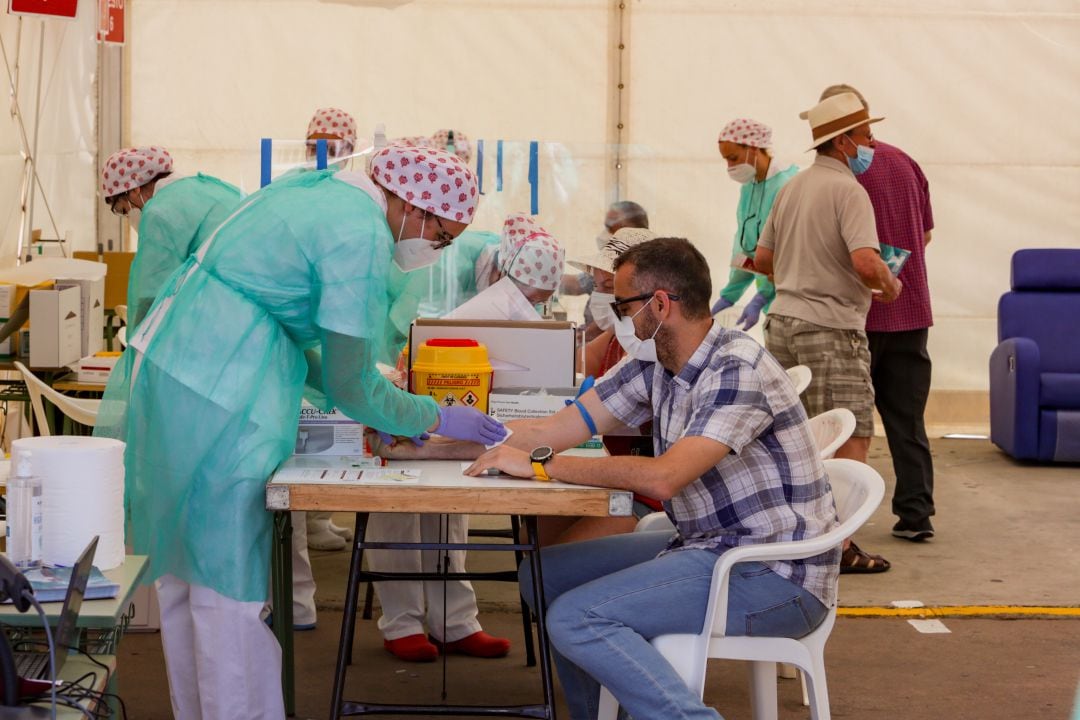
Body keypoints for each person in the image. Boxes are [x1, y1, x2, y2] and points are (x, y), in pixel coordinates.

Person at [94, 144, 506, 719]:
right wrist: (431, 415)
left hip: (180, 371)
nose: (435, 251)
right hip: (219, 388)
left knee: (187, 580)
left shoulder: (323, 194)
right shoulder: (359, 235)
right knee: (226, 589)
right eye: (440, 238)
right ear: (415, 206)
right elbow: (352, 382)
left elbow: (302, 345)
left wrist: (389, 407)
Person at [374, 237, 840, 720]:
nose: (615, 315)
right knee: (543, 577)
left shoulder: (735, 369)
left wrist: (539, 464)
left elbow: (663, 479)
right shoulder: (656, 363)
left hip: (774, 575)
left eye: (622, 304)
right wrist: (438, 441)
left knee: (578, 619)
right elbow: (555, 429)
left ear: (660, 304)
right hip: (710, 546)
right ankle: (600, 713)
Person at [365, 215, 562, 664]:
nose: (526, 306)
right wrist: (400, 395)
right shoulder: (429, 259)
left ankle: (455, 622)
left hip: (450, 406)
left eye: (537, 302)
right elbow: (387, 339)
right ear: (498, 272)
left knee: (451, 503)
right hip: (388, 382)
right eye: (524, 296)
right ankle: (402, 623)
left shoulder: (494, 285)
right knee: (396, 501)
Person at [754, 91, 902, 574]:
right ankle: (838, 546)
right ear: (843, 142)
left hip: (782, 322)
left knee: (798, 436)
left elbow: (762, 260)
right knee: (848, 432)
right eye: (866, 135)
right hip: (831, 327)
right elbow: (864, 259)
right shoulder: (849, 191)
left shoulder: (792, 188)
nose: (871, 144)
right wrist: (888, 283)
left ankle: (799, 532)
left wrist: (801, 277)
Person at [818, 84, 936, 542]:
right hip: (911, 309)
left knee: (845, 426)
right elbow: (925, 235)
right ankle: (916, 514)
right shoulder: (907, 162)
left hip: (858, 318)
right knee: (907, 419)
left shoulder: (839, 174)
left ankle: (841, 525)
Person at [537, 226, 658, 545]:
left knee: (549, 560)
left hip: (643, 494)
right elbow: (566, 368)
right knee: (534, 529)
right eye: (601, 285)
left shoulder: (653, 355)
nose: (605, 297)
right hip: (615, 476)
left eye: (612, 288)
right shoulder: (617, 339)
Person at [101, 146, 243, 329]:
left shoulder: (159, 212)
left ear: (133, 190)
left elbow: (151, 291)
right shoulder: (202, 187)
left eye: (124, 210)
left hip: (230, 303)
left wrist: (137, 336)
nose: (129, 217)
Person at [711, 119, 799, 330]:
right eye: (726, 160)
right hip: (772, 306)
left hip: (794, 302)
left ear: (753, 148)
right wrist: (728, 296)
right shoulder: (749, 187)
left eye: (733, 158)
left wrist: (761, 297)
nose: (730, 167)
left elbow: (787, 253)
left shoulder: (786, 185)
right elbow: (746, 248)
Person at [559, 201, 650, 340]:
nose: (599, 292)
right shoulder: (603, 267)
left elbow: (605, 327)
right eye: (596, 285)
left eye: (611, 226)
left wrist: (584, 337)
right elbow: (575, 285)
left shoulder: (642, 267)